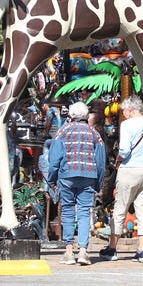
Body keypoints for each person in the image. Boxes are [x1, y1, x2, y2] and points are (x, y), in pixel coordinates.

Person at [99, 94, 143, 263]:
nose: (123, 114)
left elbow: (124, 150)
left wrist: (118, 159)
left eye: (124, 111)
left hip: (129, 171)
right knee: (142, 210)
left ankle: (112, 248)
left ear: (131, 110)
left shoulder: (126, 125)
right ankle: (142, 251)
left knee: (120, 210)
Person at [48, 101, 106, 266]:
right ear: (86, 116)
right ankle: (83, 251)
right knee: (84, 213)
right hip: (88, 176)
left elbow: (54, 160)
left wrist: (52, 179)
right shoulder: (94, 133)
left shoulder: (62, 132)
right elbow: (100, 162)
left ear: (71, 116)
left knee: (67, 211)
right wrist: (99, 183)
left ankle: (68, 251)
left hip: (66, 175)